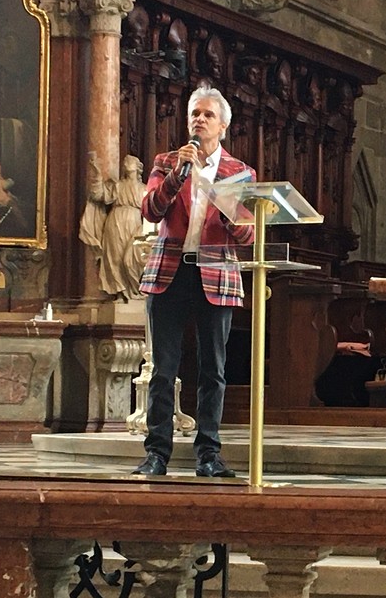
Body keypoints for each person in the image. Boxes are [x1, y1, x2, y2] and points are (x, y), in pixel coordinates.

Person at [133, 83, 256, 478]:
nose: (199, 121)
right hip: (169, 271)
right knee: (162, 368)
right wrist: (174, 177)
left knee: (212, 370)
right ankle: (156, 454)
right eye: (194, 114)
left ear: (223, 126)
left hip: (216, 272)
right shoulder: (166, 161)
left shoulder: (240, 172)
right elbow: (150, 212)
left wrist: (227, 207)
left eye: (207, 115)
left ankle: (208, 454)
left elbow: (249, 234)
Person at [79, 152, 148, 299]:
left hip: (135, 223)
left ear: (137, 167)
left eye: (129, 161)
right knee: (114, 258)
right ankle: (121, 294)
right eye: (124, 162)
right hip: (115, 223)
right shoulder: (117, 186)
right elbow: (98, 195)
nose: (126, 163)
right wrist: (96, 172)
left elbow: (153, 209)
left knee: (131, 259)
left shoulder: (144, 188)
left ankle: (135, 291)